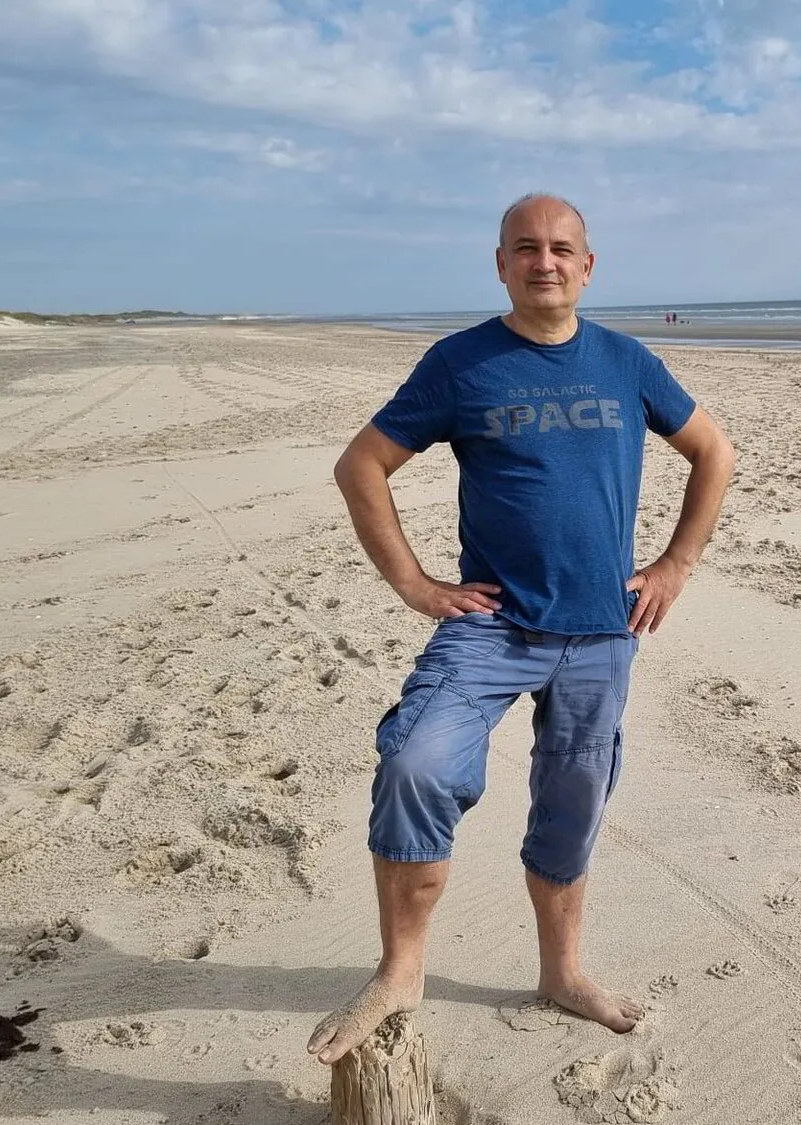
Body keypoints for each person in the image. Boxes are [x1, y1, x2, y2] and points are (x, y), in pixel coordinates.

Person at [308, 193, 737, 1065]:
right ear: (501, 264)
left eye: (561, 248)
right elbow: (362, 464)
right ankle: (401, 972)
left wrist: (675, 564)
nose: (545, 261)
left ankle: (562, 972)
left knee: (575, 799)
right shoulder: (462, 363)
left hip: (602, 629)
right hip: (493, 625)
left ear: (588, 266)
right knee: (417, 762)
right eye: (527, 248)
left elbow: (713, 451)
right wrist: (415, 584)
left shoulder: (626, 360)